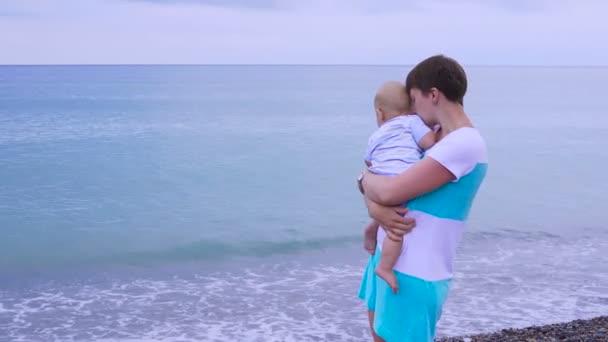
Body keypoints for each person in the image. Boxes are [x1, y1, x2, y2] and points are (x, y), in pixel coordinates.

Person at [357, 55, 488, 342]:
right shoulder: (437, 138)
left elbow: (389, 191)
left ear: (433, 95)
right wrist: (374, 205)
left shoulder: (464, 143)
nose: (410, 112)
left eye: (413, 101)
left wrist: (365, 182)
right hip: (390, 258)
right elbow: (389, 185)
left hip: (415, 272)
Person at [363, 81, 435, 294]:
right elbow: (429, 142)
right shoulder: (412, 122)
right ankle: (385, 267)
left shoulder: (376, 134)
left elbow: (368, 162)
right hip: (401, 180)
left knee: (385, 213)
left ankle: (372, 227)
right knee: (396, 230)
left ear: (380, 113)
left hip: (378, 178)